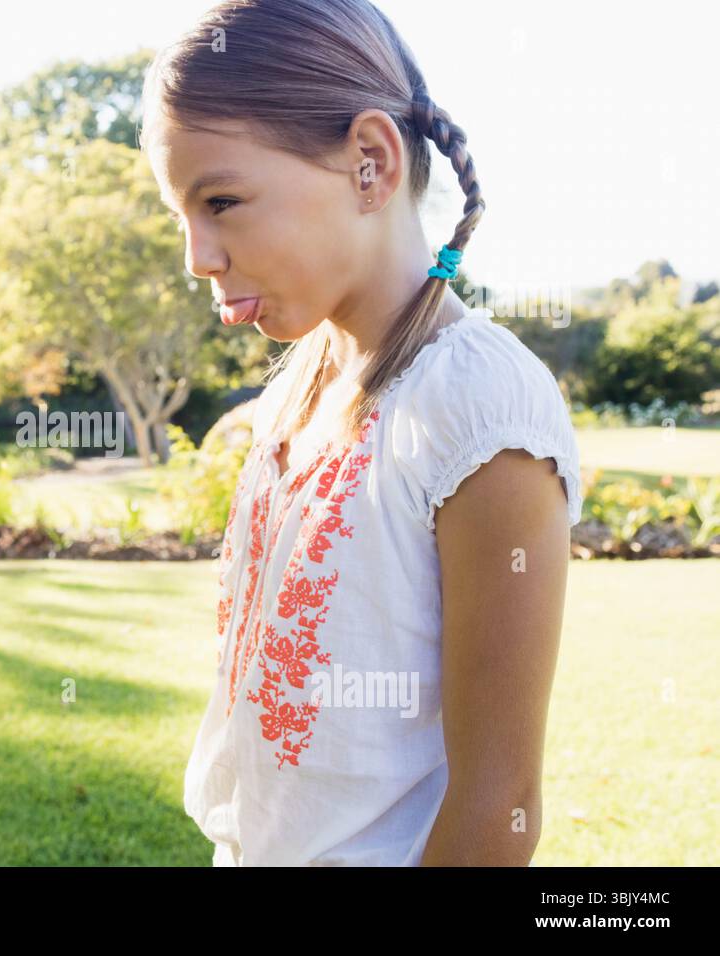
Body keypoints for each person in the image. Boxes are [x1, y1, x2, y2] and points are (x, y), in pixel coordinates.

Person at [140, 0, 583, 865]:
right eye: (179, 216)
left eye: (221, 200)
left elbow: (500, 803)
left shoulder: (479, 406)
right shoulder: (294, 389)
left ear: (370, 163)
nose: (196, 255)